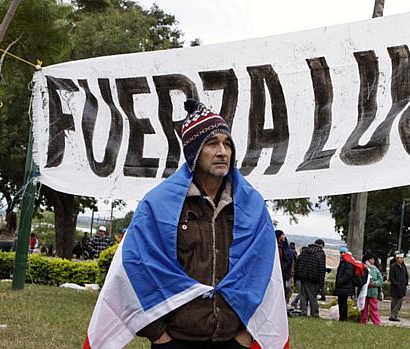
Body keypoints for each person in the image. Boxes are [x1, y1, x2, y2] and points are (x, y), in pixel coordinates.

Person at [101, 99, 289, 348]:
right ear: (194, 152)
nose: (222, 151)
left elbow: (265, 271)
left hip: (232, 339)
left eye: (227, 144)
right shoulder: (158, 205)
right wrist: (158, 334)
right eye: (212, 144)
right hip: (176, 339)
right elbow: (135, 267)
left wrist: (245, 337)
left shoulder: (252, 207)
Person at [295, 239, 326, 317]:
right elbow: (322, 269)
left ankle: (303, 312)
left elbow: (298, 264)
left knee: (303, 296)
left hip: (302, 277)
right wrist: (321, 283)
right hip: (314, 278)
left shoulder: (304, 251)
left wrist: (297, 277)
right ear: (321, 245)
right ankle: (314, 313)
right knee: (312, 297)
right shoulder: (320, 253)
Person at [360, 253, 383, 326]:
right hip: (364, 292)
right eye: (371, 259)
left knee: (374, 309)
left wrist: (374, 283)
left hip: (373, 292)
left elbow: (380, 280)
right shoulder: (362, 268)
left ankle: (376, 323)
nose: (373, 261)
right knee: (364, 308)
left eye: (373, 259)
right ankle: (363, 322)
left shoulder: (375, 269)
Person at [334, 246, 355, 321]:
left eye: (343, 252)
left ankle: (343, 317)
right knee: (341, 302)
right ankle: (342, 317)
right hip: (343, 286)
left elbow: (348, 274)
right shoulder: (344, 261)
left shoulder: (348, 262)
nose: (342, 254)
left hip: (345, 286)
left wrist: (340, 281)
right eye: (341, 253)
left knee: (343, 302)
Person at [389, 252, 409, 322]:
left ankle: (394, 314)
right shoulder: (393, 266)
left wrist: (405, 283)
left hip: (402, 287)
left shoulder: (403, 266)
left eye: (402, 258)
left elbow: (406, 275)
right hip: (395, 287)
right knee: (394, 301)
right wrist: (396, 284)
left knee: (399, 302)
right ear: (397, 259)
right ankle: (393, 315)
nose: (401, 260)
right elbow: (391, 277)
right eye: (400, 258)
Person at [275, 230, 293, 305]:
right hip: (280, 272)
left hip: (284, 273)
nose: (284, 236)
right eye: (282, 235)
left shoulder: (283, 246)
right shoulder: (277, 248)